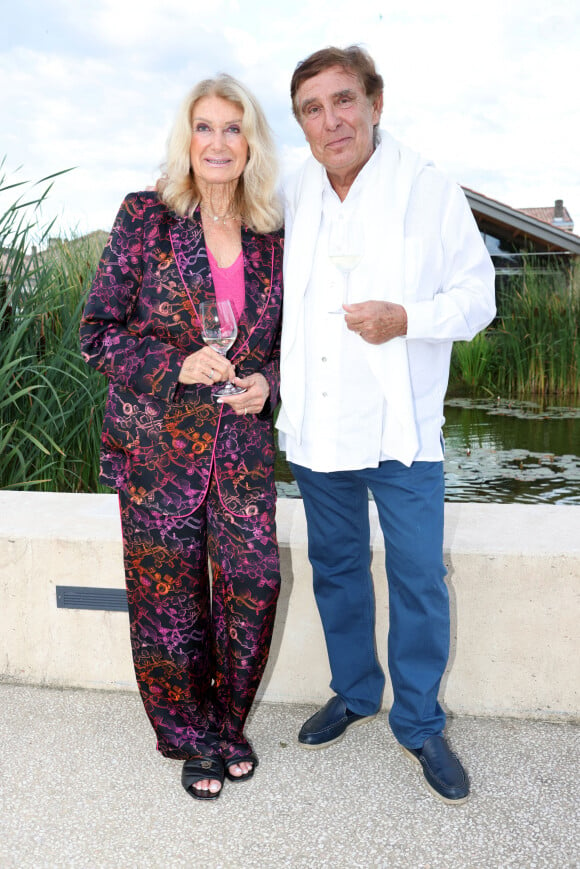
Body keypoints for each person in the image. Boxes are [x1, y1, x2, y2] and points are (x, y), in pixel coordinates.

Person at [277, 46, 496, 805]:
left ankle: (422, 721)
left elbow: (479, 296)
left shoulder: (427, 187)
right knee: (336, 571)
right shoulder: (292, 190)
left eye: (344, 101)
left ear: (375, 102)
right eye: (313, 107)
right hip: (318, 430)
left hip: (400, 432)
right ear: (301, 122)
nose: (331, 120)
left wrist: (409, 317)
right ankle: (354, 691)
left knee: (417, 579)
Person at [80, 75, 284, 801]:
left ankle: (229, 721)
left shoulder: (271, 236)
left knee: (255, 584)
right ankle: (188, 737)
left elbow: (280, 349)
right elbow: (96, 335)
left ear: (251, 141)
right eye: (206, 127)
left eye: (234, 128)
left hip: (241, 452)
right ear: (186, 137)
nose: (219, 142)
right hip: (158, 450)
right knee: (167, 603)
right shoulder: (146, 217)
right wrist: (176, 364)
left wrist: (269, 387)